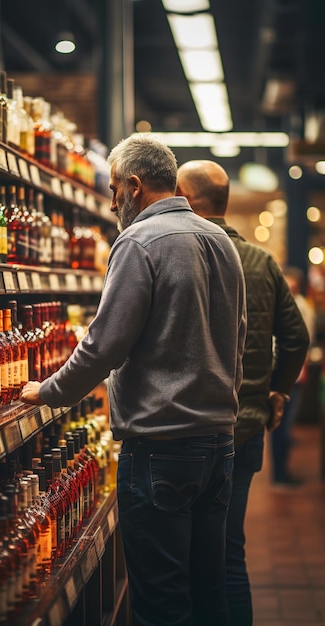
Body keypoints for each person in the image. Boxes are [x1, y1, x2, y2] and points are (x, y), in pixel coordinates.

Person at [20, 135, 247, 626]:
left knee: (161, 601)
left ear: (135, 185)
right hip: (219, 444)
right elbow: (238, 340)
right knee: (210, 592)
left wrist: (50, 391)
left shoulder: (140, 241)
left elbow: (105, 343)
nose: (111, 201)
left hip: (161, 447)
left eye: (113, 188)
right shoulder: (221, 242)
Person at [176, 159, 309, 626]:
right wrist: (276, 390)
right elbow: (296, 338)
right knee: (231, 553)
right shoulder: (261, 261)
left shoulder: (183, 255)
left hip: (187, 428)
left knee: (185, 556)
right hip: (247, 423)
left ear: (187, 200)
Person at [271, 265, 316, 485]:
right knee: (280, 425)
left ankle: (281, 473)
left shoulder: (302, 308)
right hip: (279, 374)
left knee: (284, 425)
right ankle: (279, 474)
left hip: (292, 375)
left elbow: (303, 342)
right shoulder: (278, 305)